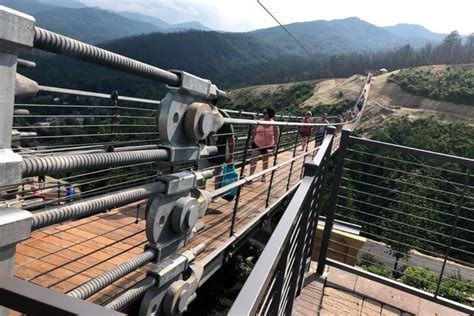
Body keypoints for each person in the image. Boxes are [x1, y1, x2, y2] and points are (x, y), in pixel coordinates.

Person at [198, 109, 235, 190]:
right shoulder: (201, 112)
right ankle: (200, 195)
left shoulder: (223, 115)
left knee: (219, 174)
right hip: (205, 149)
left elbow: (230, 138)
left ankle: (216, 193)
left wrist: (231, 156)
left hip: (220, 151)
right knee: (201, 174)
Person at [249, 108, 279, 182]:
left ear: (270, 114)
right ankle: (250, 177)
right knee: (253, 160)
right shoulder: (259, 121)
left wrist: (275, 146)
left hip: (268, 145)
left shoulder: (274, 124)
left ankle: (263, 176)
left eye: (265, 113)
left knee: (265, 161)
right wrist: (251, 141)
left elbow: (276, 136)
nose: (263, 114)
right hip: (256, 143)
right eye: (263, 113)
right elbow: (254, 131)